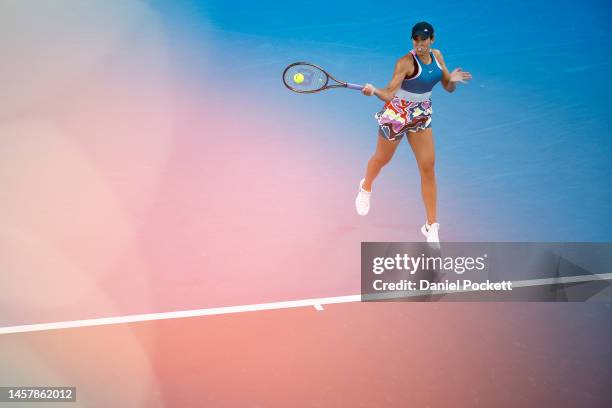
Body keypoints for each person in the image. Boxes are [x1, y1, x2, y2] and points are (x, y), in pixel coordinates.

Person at [355, 21, 472, 244]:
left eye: (424, 40)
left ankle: (431, 226)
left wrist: (452, 79)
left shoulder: (437, 56)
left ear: (432, 40)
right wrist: (373, 91)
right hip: (398, 114)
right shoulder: (405, 63)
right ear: (412, 41)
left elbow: (448, 87)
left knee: (428, 167)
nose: (420, 44)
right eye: (416, 40)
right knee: (381, 159)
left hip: (420, 114)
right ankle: (366, 186)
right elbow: (389, 94)